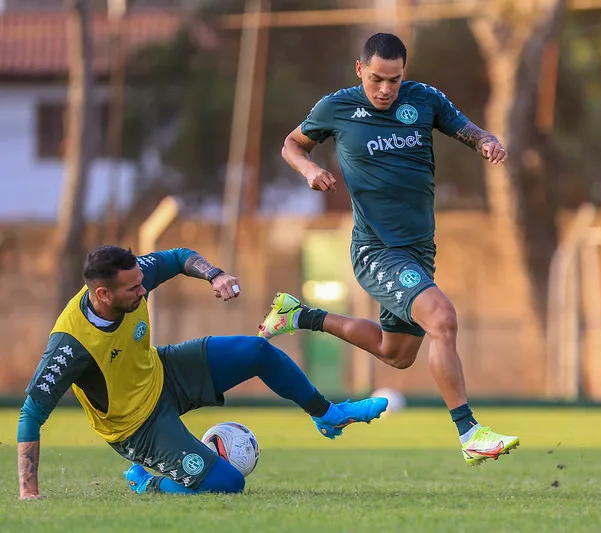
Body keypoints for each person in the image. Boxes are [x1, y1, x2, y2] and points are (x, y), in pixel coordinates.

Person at [262, 32, 519, 466]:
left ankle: (297, 315)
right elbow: (292, 143)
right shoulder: (337, 107)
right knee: (442, 318)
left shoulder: (424, 100)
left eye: (394, 80)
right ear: (360, 70)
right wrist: (308, 169)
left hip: (419, 251)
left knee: (394, 353)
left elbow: (468, 129)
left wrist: (487, 141)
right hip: (377, 251)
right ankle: (470, 432)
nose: (385, 90)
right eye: (377, 79)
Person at [17, 245, 388, 499]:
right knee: (229, 483)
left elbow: (179, 257)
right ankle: (150, 485)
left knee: (256, 350)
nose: (143, 290)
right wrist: (28, 491)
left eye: (141, 281)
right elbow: (31, 413)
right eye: (132, 289)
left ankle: (329, 416)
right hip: (136, 428)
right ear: (102, 295)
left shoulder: (133, 278)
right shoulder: (70, 344)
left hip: (164, 371)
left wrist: (215, 275)